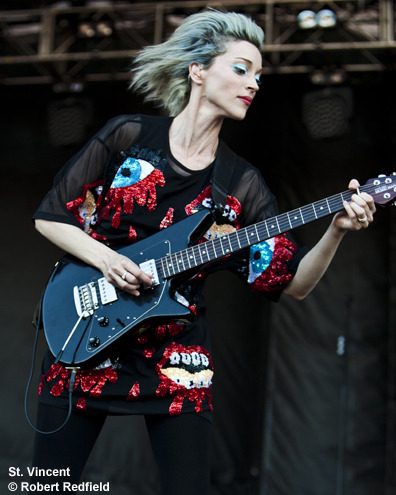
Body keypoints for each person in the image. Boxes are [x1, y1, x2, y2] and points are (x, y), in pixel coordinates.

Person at [31, 9, 375, 495]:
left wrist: (337, 229)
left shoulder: (240, 186)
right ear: (198, 71)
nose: (253, 83)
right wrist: (107, 260)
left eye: (259, 75)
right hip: (85, 335)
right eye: (241, 68)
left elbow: (293, 283)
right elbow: (51, 217)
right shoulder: (127, 136)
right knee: (47, 485)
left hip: (176, 361)